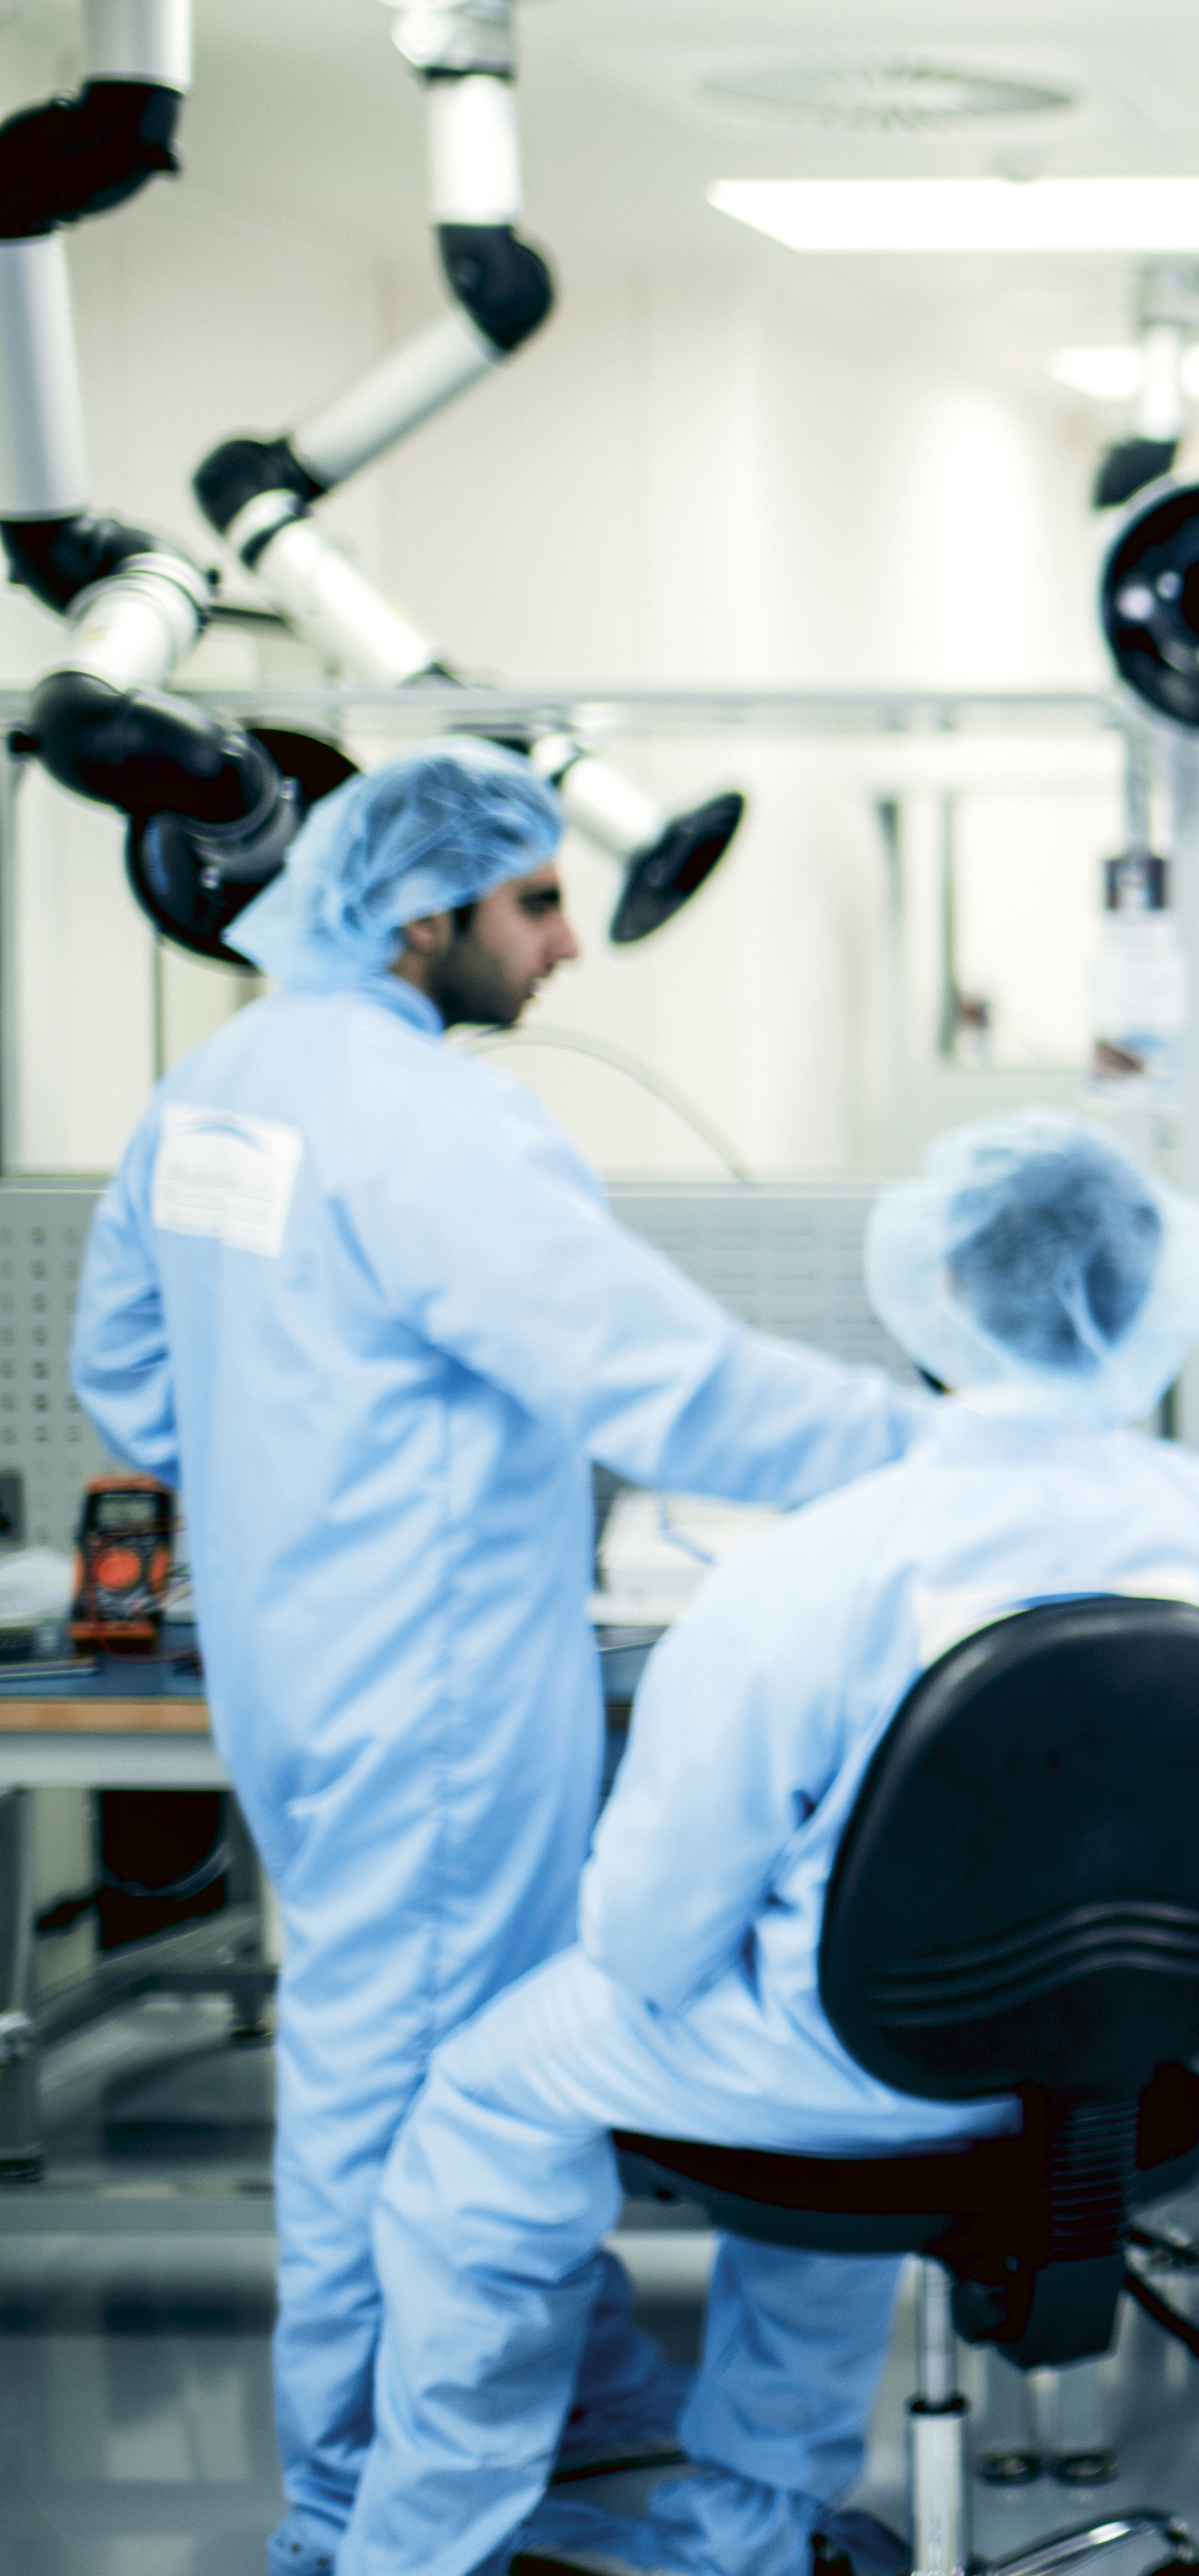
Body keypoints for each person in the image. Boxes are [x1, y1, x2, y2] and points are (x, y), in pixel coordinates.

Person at [72, 744, 929, 2576]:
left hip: (301, 1666)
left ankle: (582, 2381)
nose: (568, 945)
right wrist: (937, 1450)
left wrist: (302, 1454)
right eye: (537, 902)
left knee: (453, 2036)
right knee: (418, 2085)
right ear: (423, 912)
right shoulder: (431, 1124)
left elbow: (130, 1375)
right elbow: (658, 1376)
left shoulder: (216, 1092)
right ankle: (357, 2487)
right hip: (439, 1680)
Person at [337, 1112, 1199, 2576]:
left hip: (854, 2062)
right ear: (1149, 1303)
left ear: (934, 1296)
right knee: (837, 2023)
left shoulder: (813, 1567)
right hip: (1108, 2077)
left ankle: (432, 2548)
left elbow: (654, 1932)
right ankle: (752, 2522)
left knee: (491, 2090)